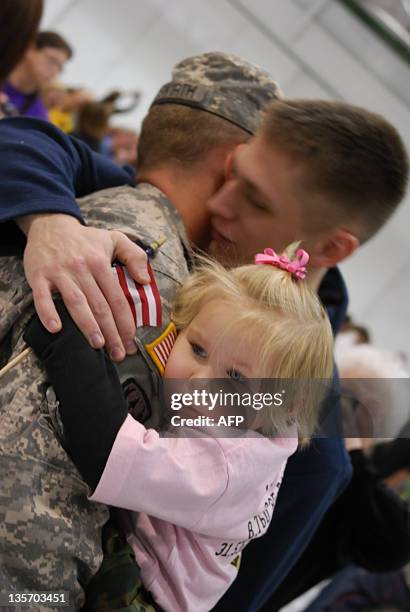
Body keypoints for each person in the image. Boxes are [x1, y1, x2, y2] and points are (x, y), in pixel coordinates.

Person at [0, 55, 408, 610]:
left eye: (254, 197)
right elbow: (28, 142)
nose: (217, 203)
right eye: (230, 177)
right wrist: (48, 219)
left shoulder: (312, 447)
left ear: (331, 248)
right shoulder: (178, 240)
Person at [23, 248, 334, 612]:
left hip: (140, 595)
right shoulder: (262, 427)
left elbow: (106, 452)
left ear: (283, 406)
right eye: (198, 349)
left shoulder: (226, 464)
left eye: (234, 378)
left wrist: (67, 340)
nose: (199, 382)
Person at [1, 30, 72, 120]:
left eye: (60, 68)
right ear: (30, 49)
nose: (54, 71)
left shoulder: (39, 117)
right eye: (52, 60)